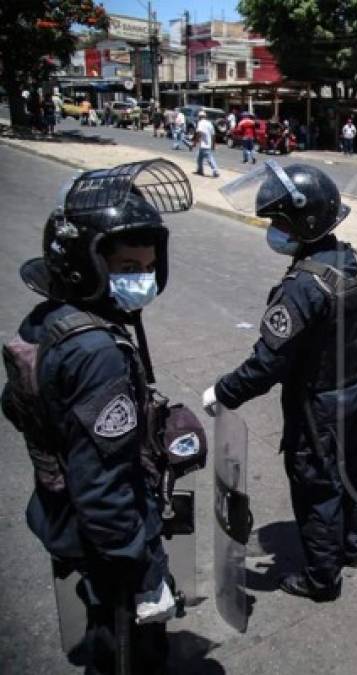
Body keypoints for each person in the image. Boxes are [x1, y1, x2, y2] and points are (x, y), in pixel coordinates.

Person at [2, 161, 196, 673]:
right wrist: (145, 569)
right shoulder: (97, 351)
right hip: (111, 545)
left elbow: (19, 403)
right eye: (129, 267)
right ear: (85, 266)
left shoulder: (52, 319)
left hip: (64, 514)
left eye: (149, 265)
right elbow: (104, 490)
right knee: (128, 652)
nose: (144, 278)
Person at [206, 163, 357, 601]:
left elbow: (267, 364)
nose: (274, 230)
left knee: (317, 487)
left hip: (319, 404)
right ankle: (352, 548)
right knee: (350, 475)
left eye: (280, 221)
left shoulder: (303, 285)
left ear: (306, 221)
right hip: (356, 390)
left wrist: (224, 392)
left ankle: (322, 579)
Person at [194, 110, 220, 178]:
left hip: (203, 145)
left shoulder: (200, 123)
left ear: (199, 117)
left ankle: (215, 171)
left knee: (209, 159)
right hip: (207, 144)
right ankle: (200, 170)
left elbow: (199, 133)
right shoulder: (209, 123)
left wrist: (195, 142)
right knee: (199, 158)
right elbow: (213, 135)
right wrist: (213, 145)